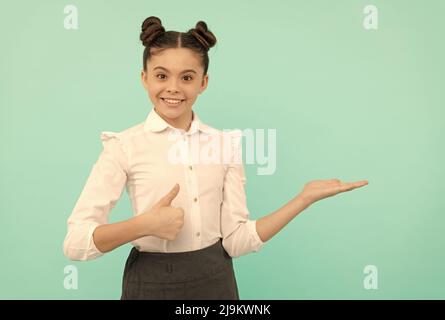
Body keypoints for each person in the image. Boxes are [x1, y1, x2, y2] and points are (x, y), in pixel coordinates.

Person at [63, 16, 369, 300]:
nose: (173, 88)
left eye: (187, 77)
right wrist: (144, 224)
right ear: (144, 78)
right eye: (161, 75)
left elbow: (236, 241)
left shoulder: (225, 145)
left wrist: (303, 199)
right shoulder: (123, 146)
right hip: (151, 281)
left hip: (217, 281)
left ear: (203, 83)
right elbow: (76, 243)